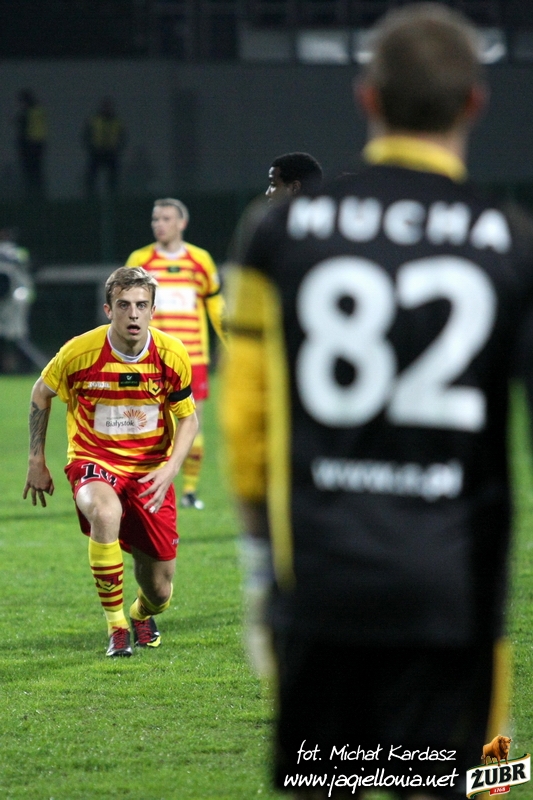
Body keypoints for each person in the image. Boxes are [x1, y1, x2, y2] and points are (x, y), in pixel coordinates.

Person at [221, 4, 533, 798]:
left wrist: (261, 572)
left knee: (328, 784)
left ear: (366, 98)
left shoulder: (278, 232)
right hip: (452, 595)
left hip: (322, 589)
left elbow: (248, 426)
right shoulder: (508, 239)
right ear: (474, 103)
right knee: (454, 785)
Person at [23, 267, 198, 657]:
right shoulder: (79, 352)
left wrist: (170, 468)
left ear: (153, 310)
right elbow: (41, 393)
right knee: (104, 512)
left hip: (150, 471)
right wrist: (36, 459)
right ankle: (116, 626)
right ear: (108, 309)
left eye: (141, 305)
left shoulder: (171, 354)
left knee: (160, 591)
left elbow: (188, 419)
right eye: (123, 305)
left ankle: (139, 613)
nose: (133, 314)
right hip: (94, 459)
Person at [126, 198, 227, 510]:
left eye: (166, 219)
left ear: (182, 223)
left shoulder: (200, 260)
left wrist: (230, 343)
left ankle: (190, 491)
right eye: (155, 219)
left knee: (192, 423)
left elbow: (215, 305)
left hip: (192, 358)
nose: (159, 224)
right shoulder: (141, 260)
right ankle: (141, 488)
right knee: (144, 426)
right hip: (151, 358)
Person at [83, 97, 127, 196]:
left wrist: (118, 148)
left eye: (108, 107)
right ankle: (91, 196)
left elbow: (123, 137)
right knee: (92, 175)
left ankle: (113, 195)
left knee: (113, 176)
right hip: (97, 151)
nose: (107, 109)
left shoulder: (117, 121)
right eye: (105, 107)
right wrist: (91, 148)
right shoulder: (94, 120)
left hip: (111, 152)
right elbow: (86, 135)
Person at [15, 89, 47, 196]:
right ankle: (39, 193)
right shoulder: (39, 110)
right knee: (37, 170)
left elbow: (23, 128)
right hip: (39, 144)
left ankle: (31, 193)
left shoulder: (28, 112)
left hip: (29, 144)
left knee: (29, 171)